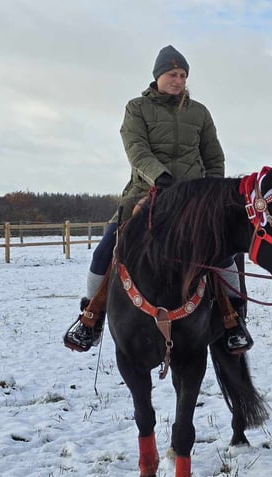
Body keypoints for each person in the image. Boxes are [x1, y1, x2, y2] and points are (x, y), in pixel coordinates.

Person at [64, 45, 253, 354]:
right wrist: (160, 177)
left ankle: (234, 320)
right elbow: (136, 148)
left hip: (193, 200)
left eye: (182, 75)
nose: (177, 80)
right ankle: (91, 318)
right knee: (106, 249)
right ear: (157, 77)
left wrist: (212, 192)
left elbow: (213, 155)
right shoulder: (136, 108)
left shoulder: (200, 112)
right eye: (171, 74)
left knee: (224, 254)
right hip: (148, 192)